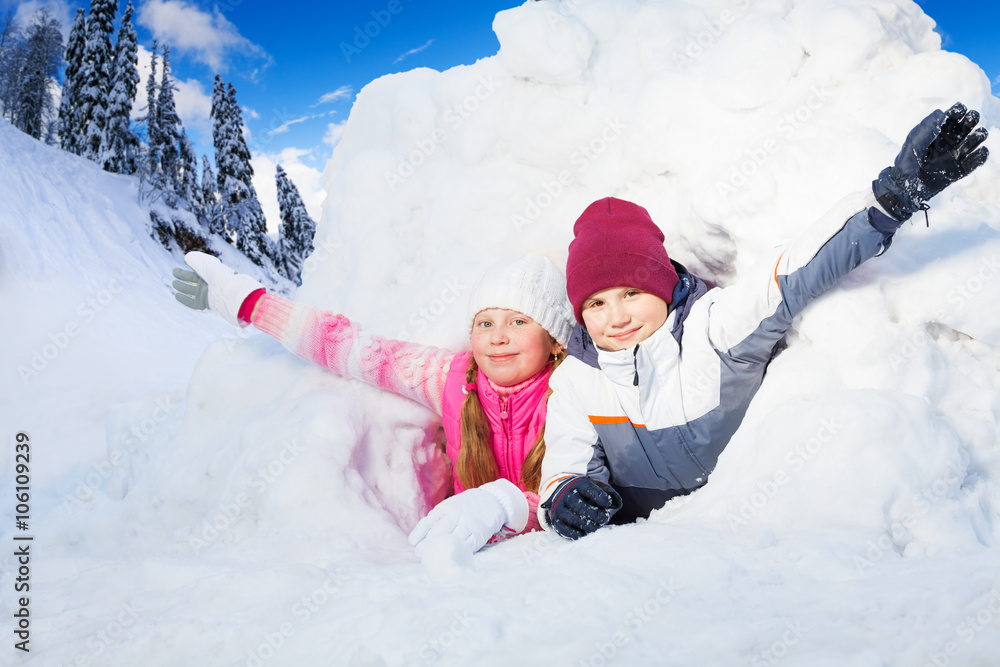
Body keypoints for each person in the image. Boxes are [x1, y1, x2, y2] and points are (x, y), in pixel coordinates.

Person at [537, 102, 991, 539]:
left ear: (662, 286)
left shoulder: (712, 329)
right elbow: (566, 463)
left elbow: (795, 272)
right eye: (595, 304)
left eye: (631, 293)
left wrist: (888, 201)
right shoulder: (578, 381)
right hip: (646, 557)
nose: (615, 317)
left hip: (746, 535)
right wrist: (563, 498)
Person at [171, 253, 575, 555]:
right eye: (485, 323)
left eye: (519, 321)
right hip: (460, 559)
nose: (498, 337)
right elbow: (353, 348)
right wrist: (250, 303)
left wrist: (507, 507)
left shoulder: (573, 394)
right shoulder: (449, 379)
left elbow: (588, 488)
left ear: (555, 339)